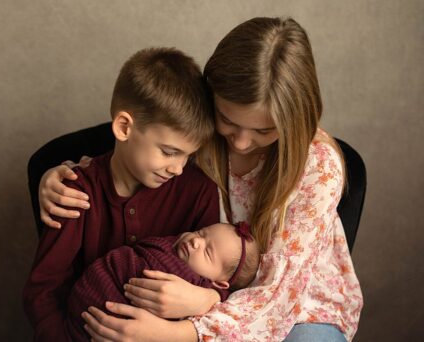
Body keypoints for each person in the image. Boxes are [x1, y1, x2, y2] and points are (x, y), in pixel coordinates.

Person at [38, 17, 362, 341]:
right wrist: (60, 176)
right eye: (228, 120)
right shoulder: (199, 140)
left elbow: (276, 300)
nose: (241, 142)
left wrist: (184, 325)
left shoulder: (317, 168)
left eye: (264, 130)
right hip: (192, 297)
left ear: (295, 119)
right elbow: (138, 146)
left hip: (296, 308)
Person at [23, 47, 222, 342]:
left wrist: (207, 298)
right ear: (124, 127)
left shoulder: (198, 190)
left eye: (188, 156)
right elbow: (44, 291)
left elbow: (220, 277)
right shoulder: (74, 193)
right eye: (169, 152)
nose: (178, 168)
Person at [66, 222, 259, 341]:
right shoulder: (172, 246)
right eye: (201, 232)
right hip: (94, 292)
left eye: (207, 252)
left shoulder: (195, 285)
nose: (196, 241)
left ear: (219, 283)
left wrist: (213, 297)